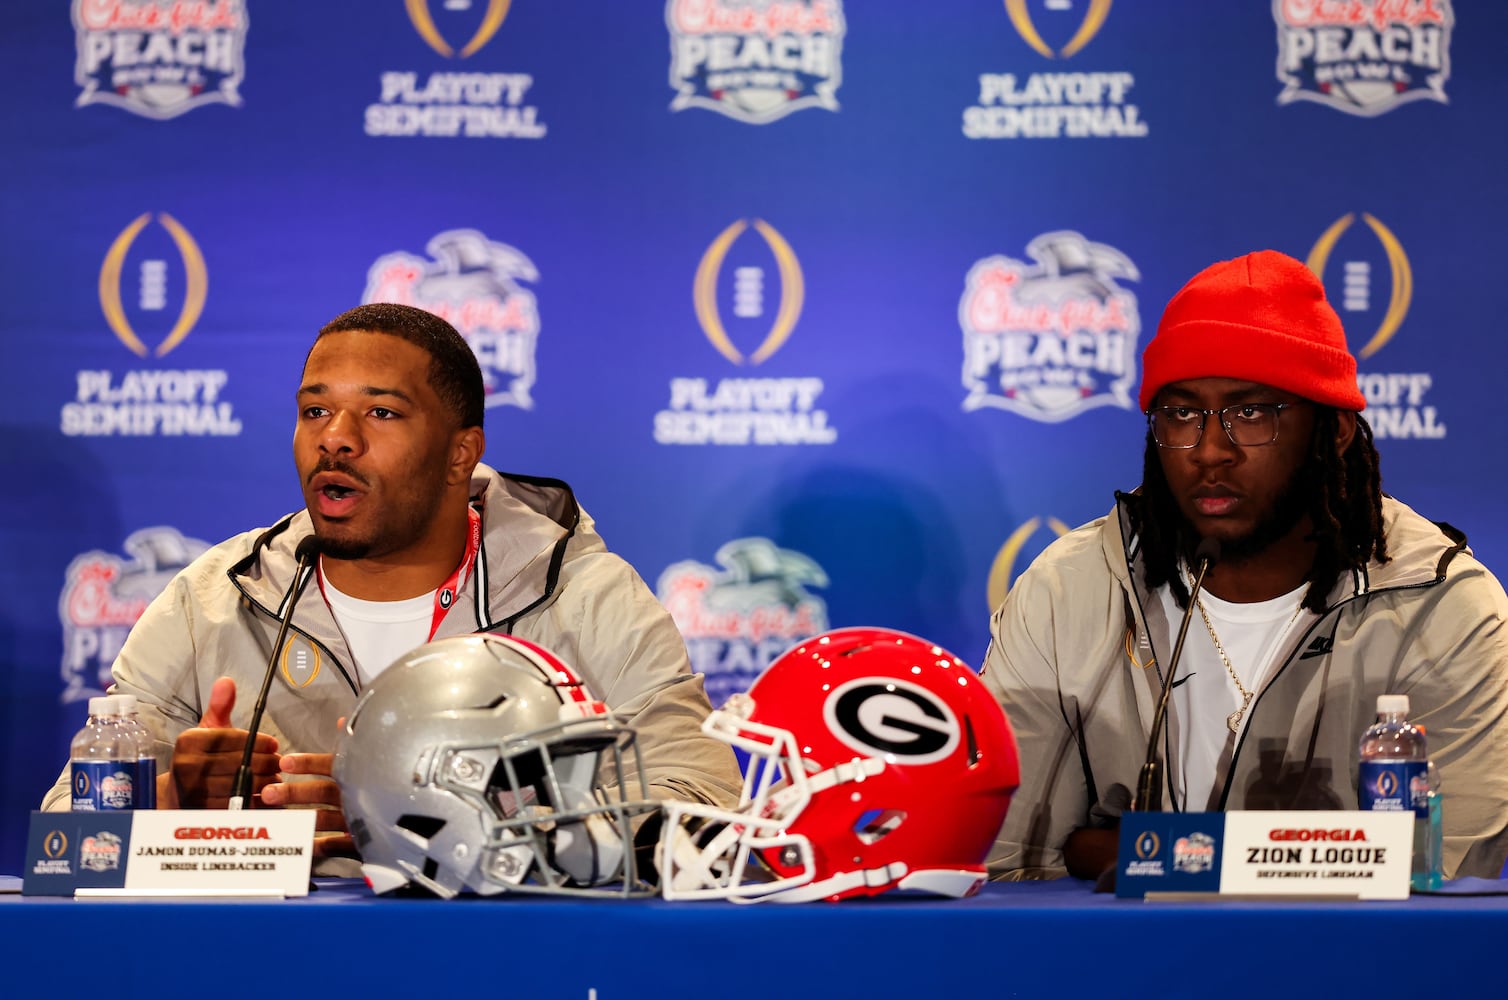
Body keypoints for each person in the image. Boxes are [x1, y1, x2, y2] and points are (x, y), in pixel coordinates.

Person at [43, 302, 743, 873]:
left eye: (381, 413)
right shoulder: (213, 599)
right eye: (315, 411)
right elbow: (67, 838)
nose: (336, 440)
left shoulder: (582, 596)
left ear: (461, 452)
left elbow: (705, 808)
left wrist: (441, 818)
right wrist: (171, 813)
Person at [982, 250, 1508, 882]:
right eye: (1181, 413)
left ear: (1334, 430)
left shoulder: (1442, 607)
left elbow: (1456, 872)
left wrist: (1141, 851)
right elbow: (1007, 860)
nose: (1210, 450)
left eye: (1250, 413)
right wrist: (1333, 856)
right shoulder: (1067, 591)